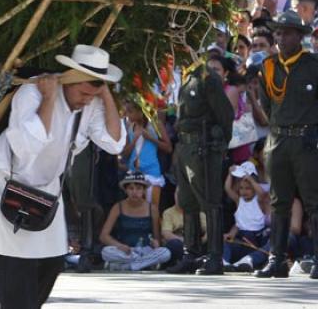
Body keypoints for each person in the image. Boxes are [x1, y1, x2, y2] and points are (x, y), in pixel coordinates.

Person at [0, 45, 125, 309]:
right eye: (85, 91)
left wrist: (105, 97)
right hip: (10, 178)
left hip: (48, 185)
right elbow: (29, 145)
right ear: (69, 79)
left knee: (51, 260)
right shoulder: (33, 93)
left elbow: (115, 142)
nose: (86, 99)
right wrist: (49, 98)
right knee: (15, 262)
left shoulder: (90, 103)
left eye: (94, 92)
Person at [257, 11, 318, 279]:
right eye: (278, 32)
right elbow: (267, 105)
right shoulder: (268, 66)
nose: (281, 37)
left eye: (287, 32)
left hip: (306, 139)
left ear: (299, 36)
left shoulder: (312, 65)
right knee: (278, 201)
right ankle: (276, 259)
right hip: (279, 139)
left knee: (313, 200)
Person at [166, 54, 234, 275]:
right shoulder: (187, 77)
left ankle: (215, 257)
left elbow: (226, 114)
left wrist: (220, 146)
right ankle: (191, 254)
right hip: (186, 146)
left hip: (203, 146)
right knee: (187, 200)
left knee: (210, 200)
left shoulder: (207, 77)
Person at [99, 172, 171, 271]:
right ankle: (143, 264)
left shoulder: (152, 209)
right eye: (131, 188)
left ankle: (129, 266)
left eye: (138, 188)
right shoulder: (118, 207)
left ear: (144, 190)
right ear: (126, 190)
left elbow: (156, 237)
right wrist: (119, 245)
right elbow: (104, 236)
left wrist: (156, 243)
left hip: (145, 250)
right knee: (106, 251)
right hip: (126, 251)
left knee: (165, 253)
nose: (134, 192)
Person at [222, 162, 270, 273]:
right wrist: (230, 174)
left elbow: (262, 193)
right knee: (225, 243)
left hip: (257, 238)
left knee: (270, 245)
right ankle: (224, 262)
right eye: (242, 188)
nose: (244, 191)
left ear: (254, 187)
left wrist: (251, 180)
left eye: (248, 188)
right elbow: (227, 189)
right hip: (242, 237)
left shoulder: (259, 200)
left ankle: (248, 261)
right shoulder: (239, 201)